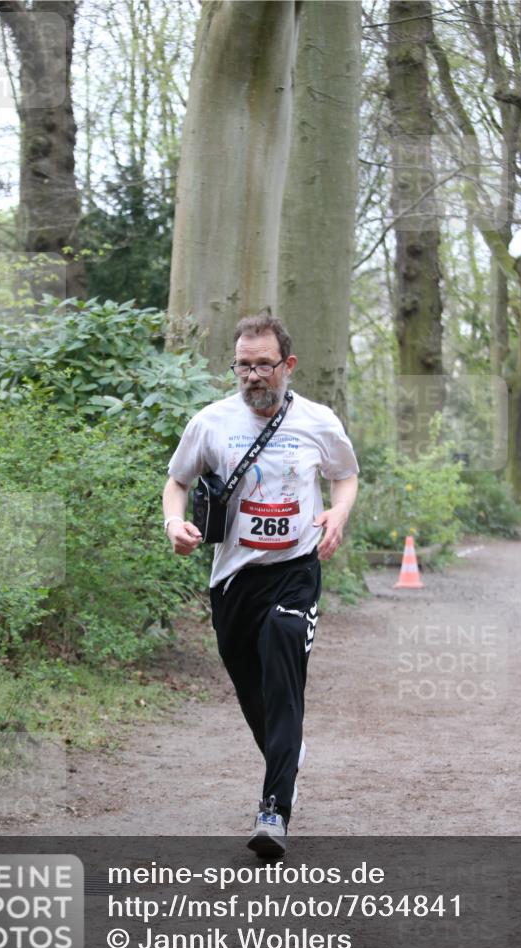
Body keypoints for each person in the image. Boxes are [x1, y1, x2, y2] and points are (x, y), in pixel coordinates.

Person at [162, 314, 359, 857]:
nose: (252, 376)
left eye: (263, 365)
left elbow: (346, 475)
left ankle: (274, 810)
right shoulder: (211, 423)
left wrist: (338, 515)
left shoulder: (318, 422)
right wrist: (173, 524)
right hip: (233, 580)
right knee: (255, 696)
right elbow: (177, 482)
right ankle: (285, 754)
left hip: (295, 570)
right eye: (243, 366)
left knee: (281, 650)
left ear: (287, 366)